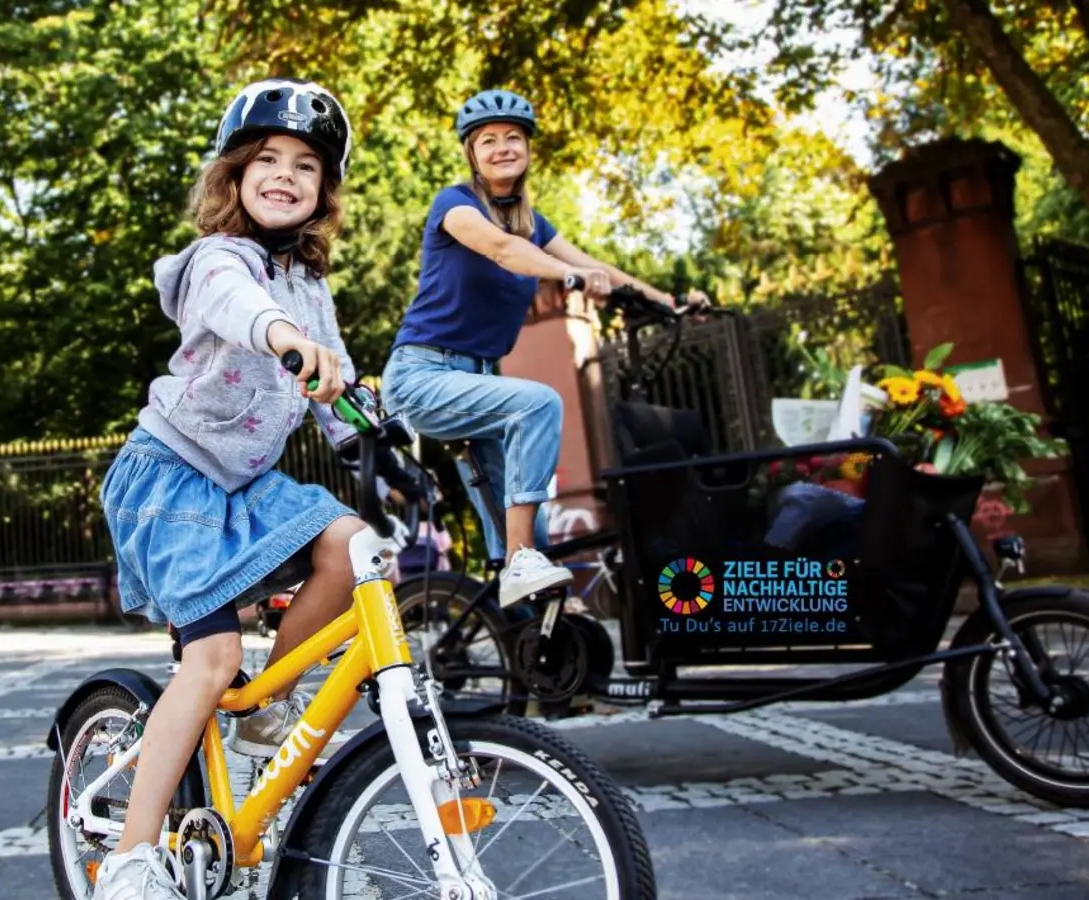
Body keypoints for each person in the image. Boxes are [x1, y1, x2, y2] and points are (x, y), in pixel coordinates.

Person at [92, 78, 365, 900]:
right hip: (168, 479)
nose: (286, 174)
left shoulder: (311, 289)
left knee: (354, 544)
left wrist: (379, 440)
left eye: (306, 166)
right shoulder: (220, 260)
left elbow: (341, 389)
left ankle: (263, 707)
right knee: (209, 658)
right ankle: (133, 859)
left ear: (322, 193)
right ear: (236, 175)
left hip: (246, 486)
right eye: (268, 159)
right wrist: (284, 337)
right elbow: (238, 305)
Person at [381, 88, 707, 607]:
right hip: (422, 377)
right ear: (472, 154)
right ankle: (519, 566)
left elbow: (599, 267)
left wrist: (667, 301)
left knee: (536, 527)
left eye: (513, 137)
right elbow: (503, 251)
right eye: (488, 140)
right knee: (538, 402)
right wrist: (574, 277)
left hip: (478, 383)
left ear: (529, 149)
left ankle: (538, 629)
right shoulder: (455, 205)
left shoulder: (535, 226)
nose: (502, 147)